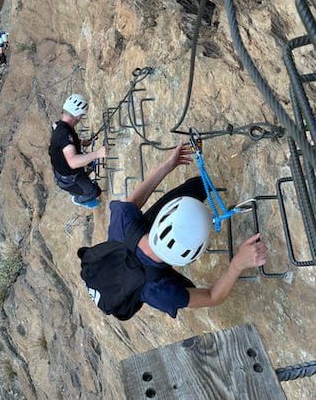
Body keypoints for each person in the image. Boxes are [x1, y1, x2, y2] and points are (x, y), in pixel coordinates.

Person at [77, 142, 268, 320]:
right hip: (146, 278)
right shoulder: (161, 292)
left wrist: (168, 165)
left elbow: (134, 201)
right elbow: (212, 297)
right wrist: (237, 264)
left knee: (196, 186)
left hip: (131, 245)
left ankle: (199, 189)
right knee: (187, 291)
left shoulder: (124, 225)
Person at [49, 94, 109, 209]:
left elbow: (61, 145)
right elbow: (72, 162)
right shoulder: (64, 134)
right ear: (77, 115)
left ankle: (85, 176)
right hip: (69, 179)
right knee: (95, 192)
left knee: (89, 164)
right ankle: (79, 199)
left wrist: (80, 142)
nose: (81, 118)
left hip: (65, 170)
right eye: (81, 115)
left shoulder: (59, 126)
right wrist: (97, 154)